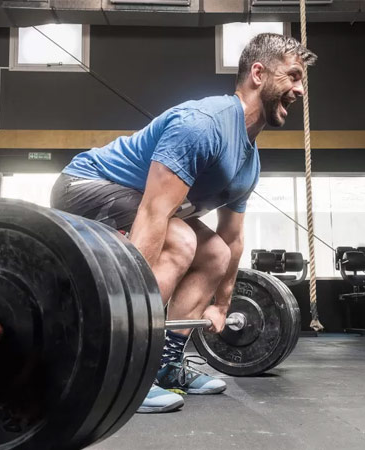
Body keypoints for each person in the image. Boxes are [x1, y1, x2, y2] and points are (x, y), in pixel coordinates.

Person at [51, 33, 316, 413]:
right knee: (180, 241)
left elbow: (232, 239)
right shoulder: (202, 124)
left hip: (140, 204)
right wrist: (131, 316)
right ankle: (125, 370)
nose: (299, 89)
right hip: (84, 185)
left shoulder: (248, 161)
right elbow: (153, 214)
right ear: (258, 73)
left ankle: (165, 366)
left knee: (214, 253)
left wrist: (222, 305)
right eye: (292, 76)